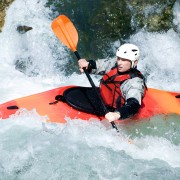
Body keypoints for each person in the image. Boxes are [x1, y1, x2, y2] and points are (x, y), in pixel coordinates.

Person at [78, 43, 146, 123]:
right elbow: (100, 65)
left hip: (116, 111)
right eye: (119, 58)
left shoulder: (134, 82)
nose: (119, 62)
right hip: (103, 101)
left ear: (134, 62)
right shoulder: (115, 64)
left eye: (124, 60)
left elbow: (133, 105)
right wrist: (88, 65)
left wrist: (117, 114)